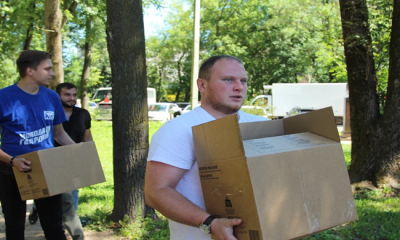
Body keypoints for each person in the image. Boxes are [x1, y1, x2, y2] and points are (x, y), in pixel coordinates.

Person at [144, 55, 267, 240]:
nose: (239, 87)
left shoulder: (261, 125)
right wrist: (211, 223)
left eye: (243, 81)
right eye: (228, 79)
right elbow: (156, 192)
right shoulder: (180, 130)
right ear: (202, 85)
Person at [0, 50, 75, 239]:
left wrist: (80, 151)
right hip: (11, 170)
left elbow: (59, 133)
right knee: (15, 226)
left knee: (54, 225)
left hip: (47, 167)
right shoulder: (4, 98)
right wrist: (12, 160)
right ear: (30, 71)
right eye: (47, 68)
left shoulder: (51, 97)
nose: (52, 73)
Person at [29, 82, 92, 239]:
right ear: (57, 96)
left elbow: (87, 136)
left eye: (74, 95)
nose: (72, 98)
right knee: (56, 197)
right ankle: (42, 209)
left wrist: (89, 156)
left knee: (70, 196)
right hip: (51, 160)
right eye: (67, 95)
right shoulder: (48, 113)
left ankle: (70, 228)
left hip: (73, 159)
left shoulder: (83, 114)